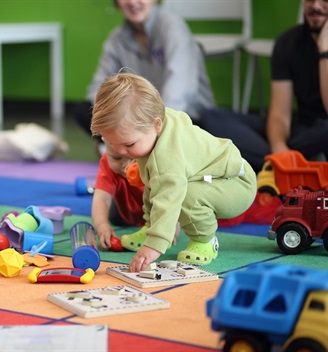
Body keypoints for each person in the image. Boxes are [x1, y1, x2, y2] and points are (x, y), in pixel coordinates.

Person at [90, 73, 257, 272]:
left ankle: (205, 240)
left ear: (156, 125)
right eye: (113, 145)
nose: (121, 152)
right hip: (215, 175)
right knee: (154, 183)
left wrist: (154, 245)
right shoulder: (152, 123)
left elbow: (169, 199)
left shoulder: (167, 157)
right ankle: (152, 228)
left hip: (235, 183)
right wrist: (155, 229)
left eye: (129, 144)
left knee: (185, 195)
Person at [200, 0, 328, 173]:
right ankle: (285, 163)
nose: (316, 6)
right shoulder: (288, 43)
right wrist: (279, 149)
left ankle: (274, 163)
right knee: (212, 118)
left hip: (322, 131)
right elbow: (280, 114)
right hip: (300, 129)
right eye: (310, 0)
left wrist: (324, 51)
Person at [74, 0, 215, 155]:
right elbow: (98, 87)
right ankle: (122, 148)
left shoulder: (172, 27)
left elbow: (179, 93)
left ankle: (124, 149)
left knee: (210, 125)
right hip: (136, 118)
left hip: (185, 116)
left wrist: (149, 124)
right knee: (84, 110)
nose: (133, 2)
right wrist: (119, 111)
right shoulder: (116, 39)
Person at [92, 143, 145, 250]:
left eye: (133, 158)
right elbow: (101, 198)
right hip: (123, 213)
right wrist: (101, 225)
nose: (126, 166)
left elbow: (170, 194)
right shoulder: (107, 162)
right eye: (117, 158)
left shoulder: (154, 161)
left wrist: (168, 225)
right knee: (114, 217)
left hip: (154, 211)